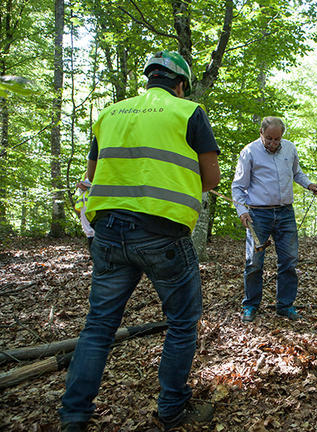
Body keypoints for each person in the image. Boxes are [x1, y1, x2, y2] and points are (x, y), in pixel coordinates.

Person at [59, 50, 221, 432]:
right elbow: (211, 179)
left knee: (98, 326)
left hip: (109, 233)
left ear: (148, 78)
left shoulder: (110, 114)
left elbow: (92, 174)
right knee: (182, 323)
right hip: (162, 234)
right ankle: (171, 410)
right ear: (180, 84)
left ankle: (74, 416)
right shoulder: (187, 112)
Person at [231, 117, 317, 322]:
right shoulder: (249, 152)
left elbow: (296, 173)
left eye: (277, 139)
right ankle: (251, 305)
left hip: (285, 212)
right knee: (254, 262)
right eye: (269, 138)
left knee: (289, 260)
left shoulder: (289, 149)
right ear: (261, 133)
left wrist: (309, 185)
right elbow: (238, 186)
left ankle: (285, 305)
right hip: (257, 213)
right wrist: (241, 211)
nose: (273, 143)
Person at [73, 176, 95, 249]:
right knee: (88, 230)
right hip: (84, 205)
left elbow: (99, 187)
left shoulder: (99, 170)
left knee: (95, 228)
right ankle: (92, 253)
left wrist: (87, 187)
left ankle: (97, 252)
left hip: (94, 204)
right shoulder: (84, 174)